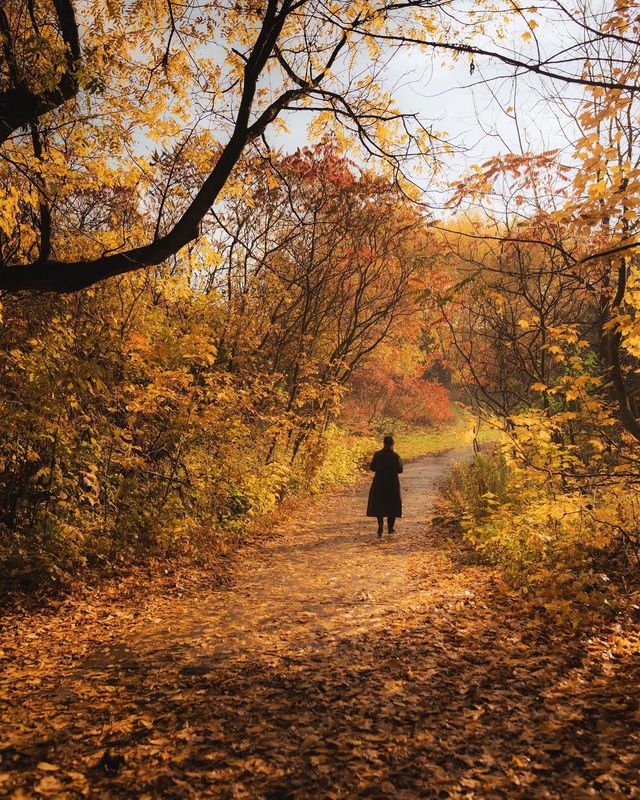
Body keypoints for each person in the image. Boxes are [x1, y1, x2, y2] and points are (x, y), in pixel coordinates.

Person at [366, 434, 403, 537]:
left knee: (379, 503)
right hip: (392, 483)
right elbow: (400, 470)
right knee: (392, 504)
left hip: (379, 482)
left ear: (384, 443)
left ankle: (380, 525)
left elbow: (372, 467)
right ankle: (390, 528)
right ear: (392, 444)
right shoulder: (395, 456)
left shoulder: (377, 454)